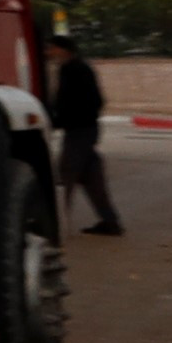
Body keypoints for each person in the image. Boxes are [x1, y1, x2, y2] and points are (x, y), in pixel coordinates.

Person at [46, 32, 123, 237]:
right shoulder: (75, 68)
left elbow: (75, 101)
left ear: (63, 49)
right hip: (84, 129)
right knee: (92, 179)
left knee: (65, 175)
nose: (49, 52)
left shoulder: (73, 69)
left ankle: (56, 226)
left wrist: (61, 120)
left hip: (79, 130)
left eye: (52, 47)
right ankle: (110, 222)